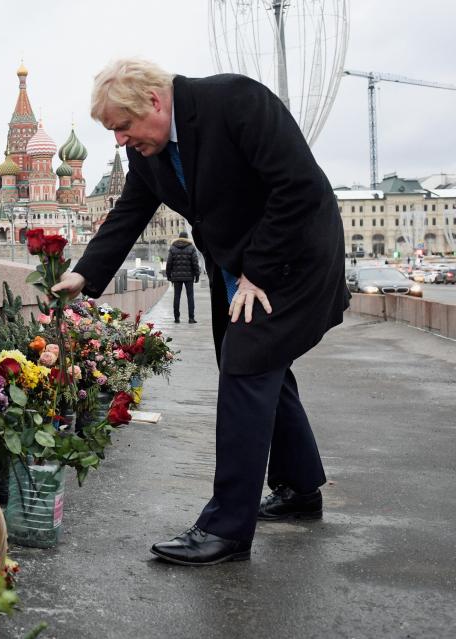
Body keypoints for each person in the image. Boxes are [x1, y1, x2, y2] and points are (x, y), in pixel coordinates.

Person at [53, 58, 349, 566]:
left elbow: (299, 186)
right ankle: (300, 489)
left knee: (247, 370)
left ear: (153, 101)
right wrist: (85, 275)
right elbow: (130, 212)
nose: (119, 141)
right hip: (238, 269)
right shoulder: (150, 153)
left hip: (292, 258)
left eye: (121, 127)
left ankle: (226, 529)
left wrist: (257, 270)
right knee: (263, 373)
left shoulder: (237, 102)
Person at [165, 230, 200, 323]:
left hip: (176, 277)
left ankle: (176, 318)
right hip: (189, 277)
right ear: (187, 238)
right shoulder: (191, 248)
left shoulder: (172, 248)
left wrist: (168, 275)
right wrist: (197, 275)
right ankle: (191, 318)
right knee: (190, 297)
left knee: (176, 296)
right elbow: (195, 263)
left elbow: (169, 263)